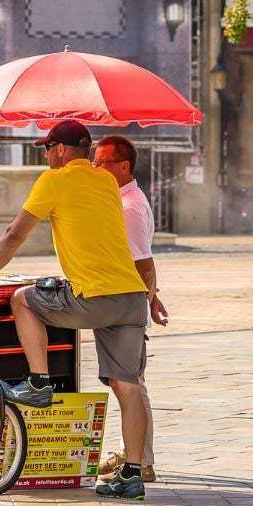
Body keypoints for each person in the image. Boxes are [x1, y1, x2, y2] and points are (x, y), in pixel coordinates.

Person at [0, 120, 151, 501]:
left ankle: (39, 383)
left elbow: (15, 233)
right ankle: (132, 475)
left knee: (22, 299)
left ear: (61, 150)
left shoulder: (54, 181)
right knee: (128, 387)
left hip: (91, 298)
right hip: (131, 297)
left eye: (47, 148)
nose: (45, 155)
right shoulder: (106, 182)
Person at [92, 134, 168, 485]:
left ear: (124, 166)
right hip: (129, 298)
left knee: (132, 383)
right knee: (130, 382)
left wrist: (147, 298)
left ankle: (142, 460)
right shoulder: (116, 201)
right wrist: (152, 297)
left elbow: (144, 263)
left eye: (104, 161)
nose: (96, 167)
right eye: (95, 159)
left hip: (125, 303)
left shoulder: (128, 208)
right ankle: (134, 453)